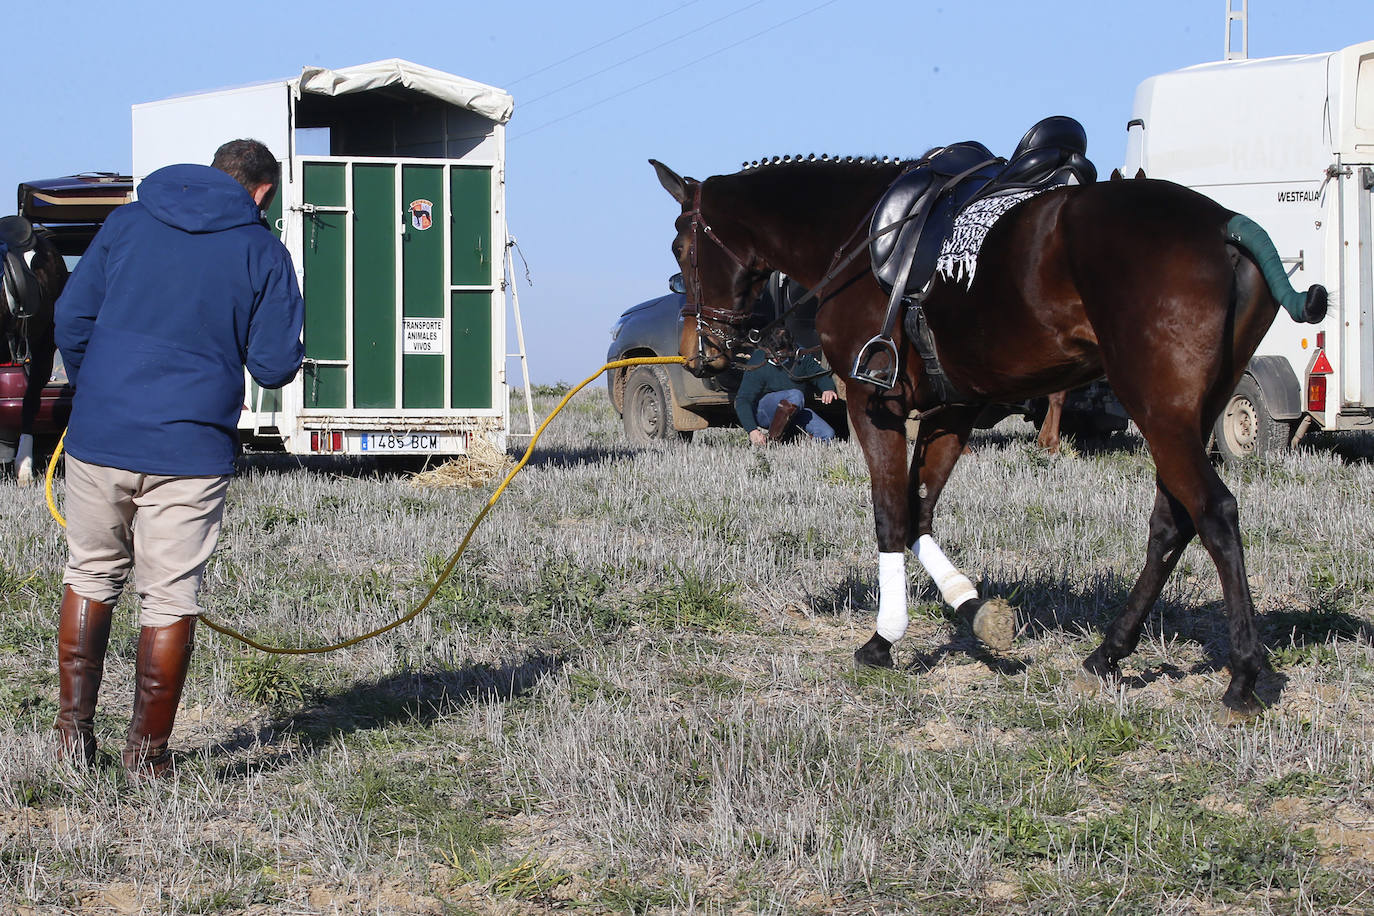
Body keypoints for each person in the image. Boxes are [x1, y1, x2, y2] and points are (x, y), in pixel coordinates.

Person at [52, 139, 304, 777]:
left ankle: (72, 740)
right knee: (168, 598)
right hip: (190, 449)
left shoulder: (128, 221)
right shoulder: (262, 250)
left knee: (90, 574)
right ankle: (148, 758)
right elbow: (273, 367)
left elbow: (70, 318)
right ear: (262, 192)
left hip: (100, 436)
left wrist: (101, 389)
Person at [734, 338, 839, 445]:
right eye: (771, 354)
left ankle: (801, 454)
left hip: (794, 410)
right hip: (764, 411)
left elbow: (820, 374)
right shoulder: (758, 360)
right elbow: (743, 399)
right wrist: (752, 430)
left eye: (780, 355)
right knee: (796, 395)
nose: (775, 359)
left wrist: (827, 388)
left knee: (827, 434)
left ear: (790, 350)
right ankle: (774, 440)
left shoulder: (801, 356)